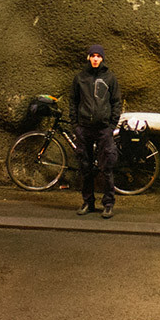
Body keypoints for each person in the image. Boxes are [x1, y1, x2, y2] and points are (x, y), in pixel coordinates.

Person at [69, 44, 123, 218]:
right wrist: (76, 125)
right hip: (84, 129)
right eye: (92, 56)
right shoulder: (80, 78)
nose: (95, 59)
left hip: (103, 130)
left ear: (102, 58)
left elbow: (116, 102)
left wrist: (111, 126)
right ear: (88, 58)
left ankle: (108, 204)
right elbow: (73, 102)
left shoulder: (110, 78)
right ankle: (88, 202)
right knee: (85, 167)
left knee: (106, 167)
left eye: (98, 56)